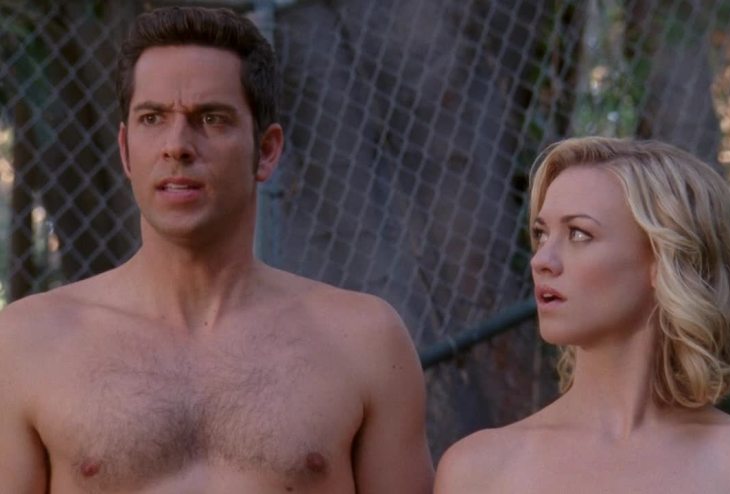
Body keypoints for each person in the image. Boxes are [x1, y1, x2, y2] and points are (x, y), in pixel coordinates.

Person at [0, 6, 433, 493]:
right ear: (125, 150)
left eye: (211, 118)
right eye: (152, 118)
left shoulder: (365, 343)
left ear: (266, 151)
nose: (177, 146)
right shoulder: (28, 344)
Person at [434, 137, 730, 493]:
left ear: (664, 261)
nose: (541, 260)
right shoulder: (479, 471)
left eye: (579, 234)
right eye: (542, 234)